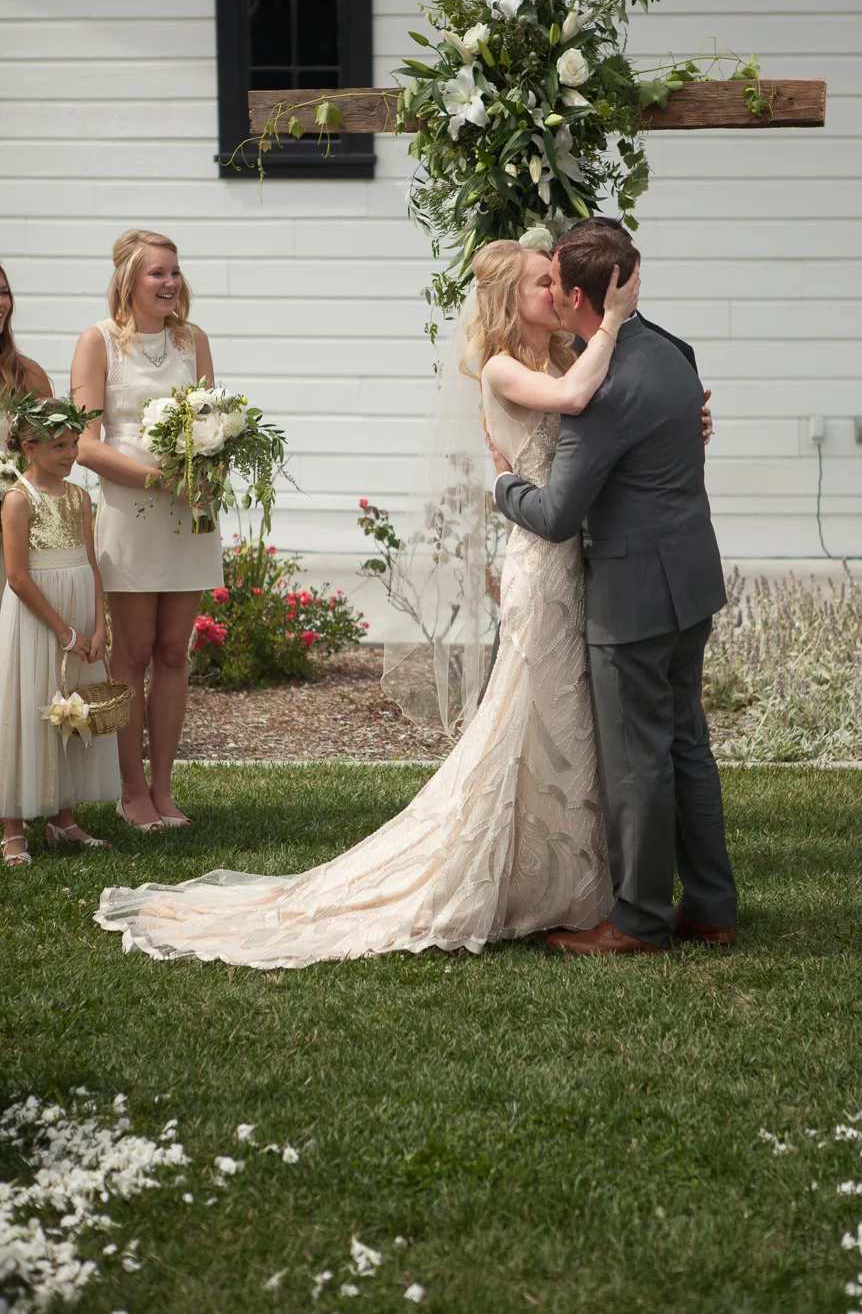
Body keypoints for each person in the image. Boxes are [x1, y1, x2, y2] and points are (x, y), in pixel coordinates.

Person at [93, 241, 640, 965]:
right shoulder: (506, 368)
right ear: (513, 297)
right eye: (544, 281)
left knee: (563, 715)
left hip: (575, 557)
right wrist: (615, 321)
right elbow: (574, 407)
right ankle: (501, 871)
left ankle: (564, 874)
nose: (559, 290)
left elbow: (601, 417)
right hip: (538, 561)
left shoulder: (562, 358)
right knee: (528, 711)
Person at [491, 218, 738, 956]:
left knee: (638, 761)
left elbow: (559, 514)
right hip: (691, 580)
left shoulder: (603, 394)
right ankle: (713, 907)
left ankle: (637, 920)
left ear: (575, 296)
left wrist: (504, 485)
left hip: (634, 594)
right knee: (687, 743)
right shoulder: (670, 353)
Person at [71, 229, 223, 833]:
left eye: (175, 273)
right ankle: (129, 792)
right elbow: (84, 445)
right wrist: (160, 480)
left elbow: (214, 423)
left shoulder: (194, 342)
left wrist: (210, 468)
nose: (170, 283)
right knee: (130, 655)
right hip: (131, 514)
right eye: (158, 273)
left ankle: (163, 789)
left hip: (190, 515)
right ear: (129, 281)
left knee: (173, 654)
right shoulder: (98, 342)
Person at [0, 396, 120, 868]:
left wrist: (97, 624)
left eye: (73, 444)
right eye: (58, 446)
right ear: (29, 448)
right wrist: (64, 632)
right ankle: (12, 826)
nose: (71, 454)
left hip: (79, 613)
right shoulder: (16, 499)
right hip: (38, 618)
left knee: (72, 712)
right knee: (30, 711)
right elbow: (18, 578)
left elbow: (91, 564)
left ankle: (62, 817)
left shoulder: (80, 498)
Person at [0, 260, 55, 591]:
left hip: (14, 529)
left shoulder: (28, 374)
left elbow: (51, 457)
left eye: (4, 293)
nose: (0, 303)